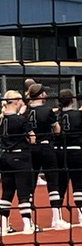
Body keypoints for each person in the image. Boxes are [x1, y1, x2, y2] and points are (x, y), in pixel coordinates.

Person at [26, 84, 68, 230]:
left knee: (30, 185)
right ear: (42, 95)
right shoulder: (46, 110)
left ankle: (28, 221)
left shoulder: (25, 110)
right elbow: (57, 130)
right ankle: (56, 219)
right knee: (53, 183)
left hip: (31, 148)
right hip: (45, 147)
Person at [57, 89, 82, 226]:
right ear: (72, 100)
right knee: (79, 184)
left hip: (60, 153)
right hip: (76, 152)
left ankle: (57, 218)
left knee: (60, 185)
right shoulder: (79, 114)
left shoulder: (56, 115)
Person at [0, 90, 37, 233]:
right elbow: (32, 138)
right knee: (24, 191)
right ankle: (28, 224)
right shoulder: (20, 119)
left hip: (5, 157)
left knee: (7, 192)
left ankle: (3, 225)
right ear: (15, 101)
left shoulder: (3, 118)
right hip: (20, 157)